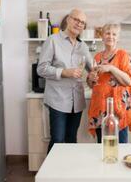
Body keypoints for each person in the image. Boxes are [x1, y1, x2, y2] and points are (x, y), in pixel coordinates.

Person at [37, 8, 93, 153]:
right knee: (58, 140)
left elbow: (92, 69)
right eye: (76, 19)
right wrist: (64, 72)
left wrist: (94, 75)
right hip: (58, 99)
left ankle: (68, 173)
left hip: (77, 101)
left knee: (71, 138)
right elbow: (41, 68)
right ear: (68, 19)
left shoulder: (83, 46)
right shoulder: (52, 40)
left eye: (83, 23)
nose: (79, 24)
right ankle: (52, 174)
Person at [87, 24, 131, 143]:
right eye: (107, 33)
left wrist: (111, 68)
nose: (111, 36)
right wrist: (91, 79)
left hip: (117, 110)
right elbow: (91, 84)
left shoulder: (123, 55)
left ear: (118, 38)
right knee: (102, 147)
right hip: (100, 109)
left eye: (114, 34)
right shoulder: (97, 56)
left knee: (120, 147)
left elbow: (129, 81)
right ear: (102, 37)